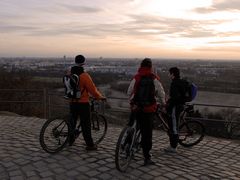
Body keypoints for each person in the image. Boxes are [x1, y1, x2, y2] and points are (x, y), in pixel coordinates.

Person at [127, 58, 165, 166]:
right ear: (150, 67)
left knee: (131, 126)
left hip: (136, 107)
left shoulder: (136, 77)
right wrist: (163, 103)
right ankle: (147, 157)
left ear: (141, 66)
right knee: (147, 134)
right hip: (148, 109)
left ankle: (125, 145)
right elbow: (161, 94)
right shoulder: (154, 78)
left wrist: (132, 101)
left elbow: (129, 92)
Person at [68, 54, 105, 150]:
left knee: (72, 122)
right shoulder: (85, 76)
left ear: (75, 62)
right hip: (83, 103)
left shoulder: (69, 73)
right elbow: (92, 90)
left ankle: (70, 140)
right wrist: (99, 97)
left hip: (72, 101)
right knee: (86, 125)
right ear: (83, 63)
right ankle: (90, 145)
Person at [164, 67, 185, 153]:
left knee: (173, 127)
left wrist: (168, 105)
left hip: (175, 107)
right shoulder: (180, 81)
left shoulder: (175, 83)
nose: (169, 75)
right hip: (179, 106)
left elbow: (175, 98)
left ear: (172, 74)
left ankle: (173, 147)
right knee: (174, 125)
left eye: (169, 73)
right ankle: (173, 145)